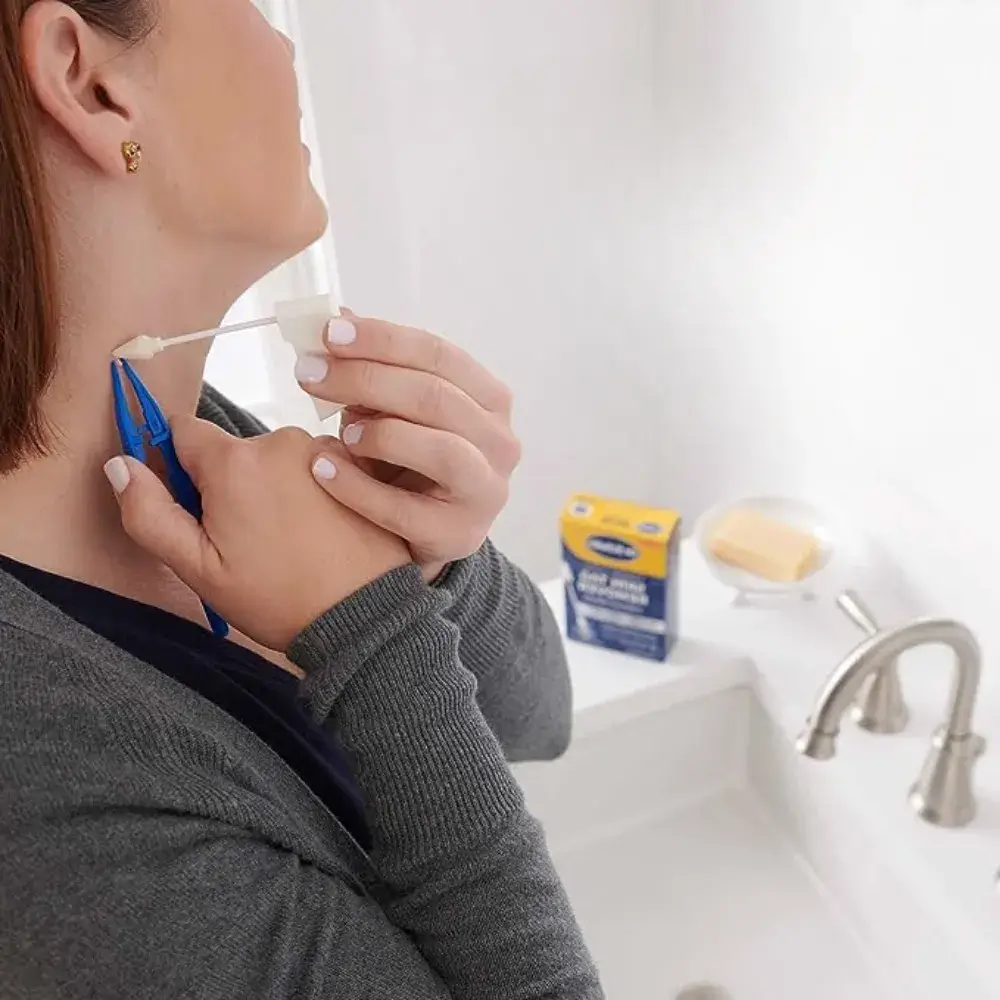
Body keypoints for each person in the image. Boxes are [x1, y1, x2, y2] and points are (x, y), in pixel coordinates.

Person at [0, 1, 604, 997]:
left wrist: (431, 558)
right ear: (88, 78)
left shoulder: (216, 439)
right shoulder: (47, 813)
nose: (281, 41)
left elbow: (539, 722)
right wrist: (370, 632)